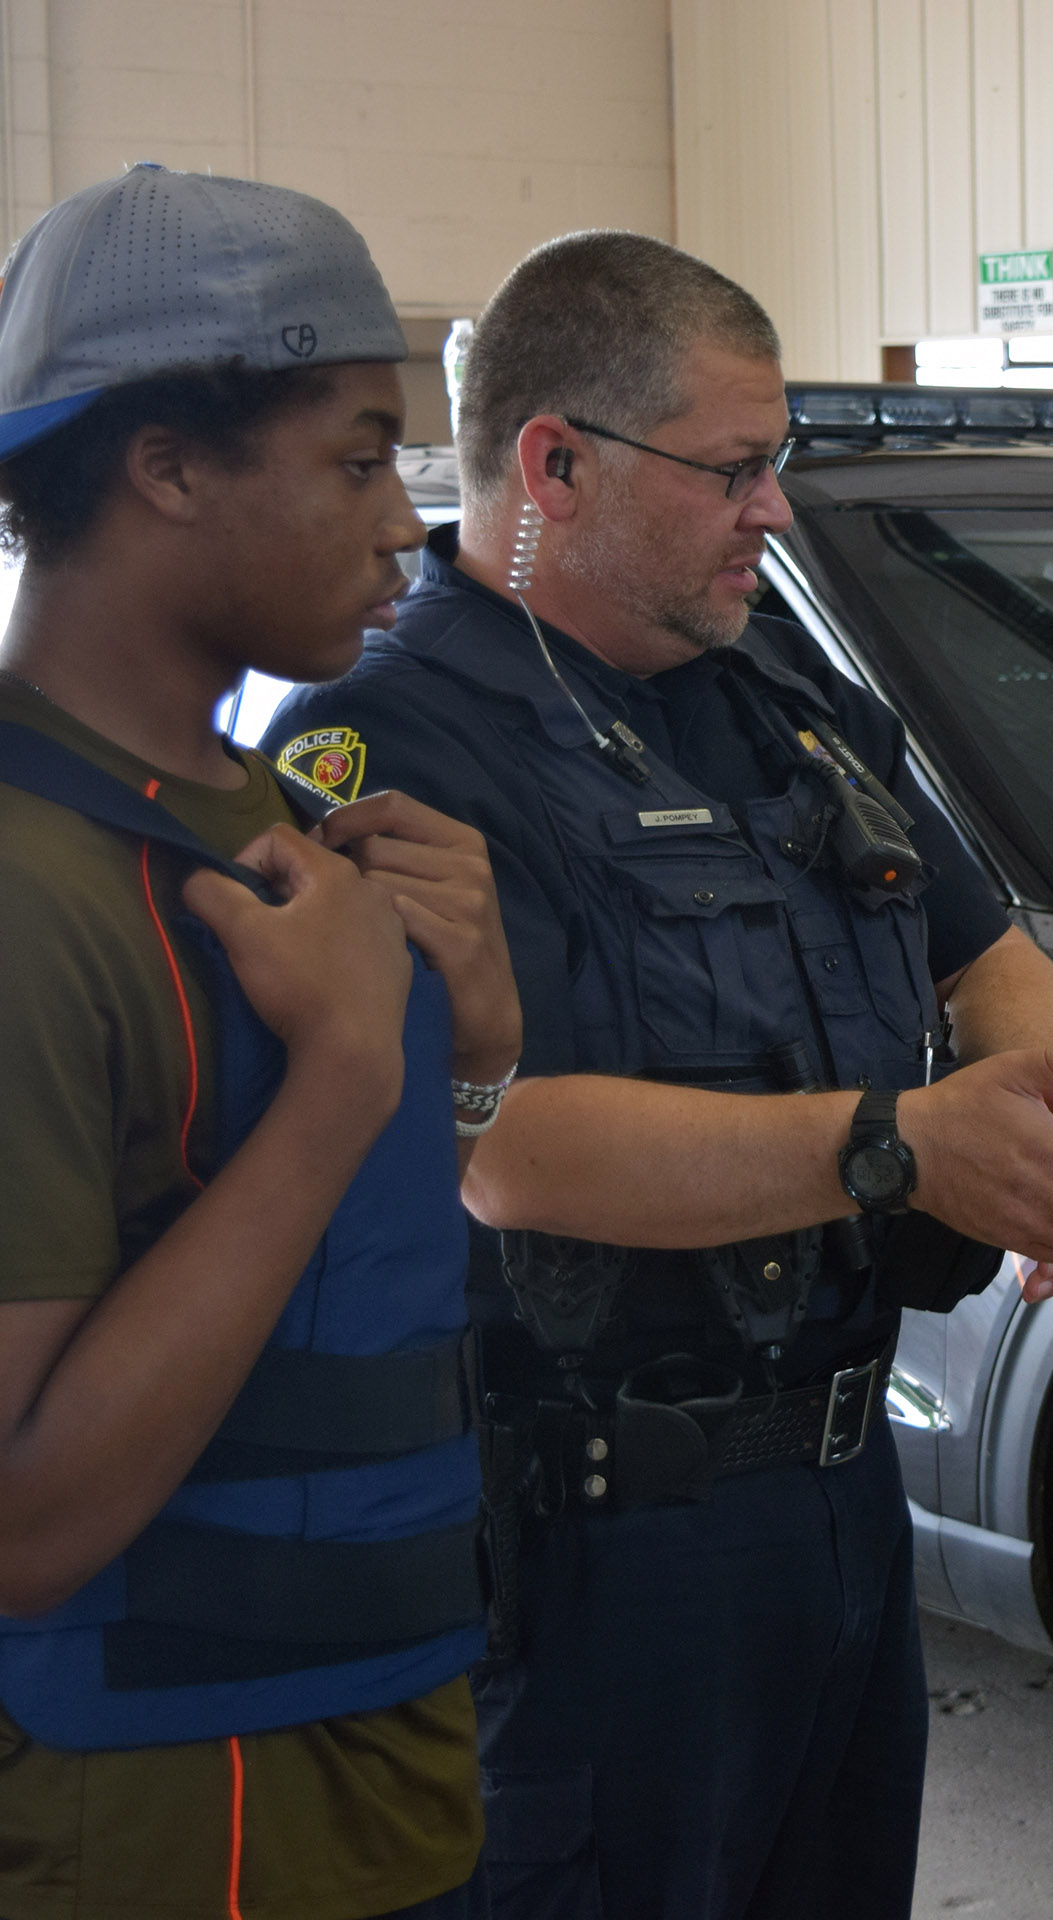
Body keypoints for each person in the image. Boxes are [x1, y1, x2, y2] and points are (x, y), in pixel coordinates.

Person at [264, 231, 1053, 1919]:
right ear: (555, 461)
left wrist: (1038, 1110)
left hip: (841, 1514)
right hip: (600, 1554)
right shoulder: (390, 744)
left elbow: (975, 940)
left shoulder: (771, 682)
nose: (773, 511)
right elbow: (501, 1150)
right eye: (734, 471)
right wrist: (901, 1150)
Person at [0, 166, 524, 1920]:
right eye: (360, 456)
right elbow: (23, 1530)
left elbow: (352, 1260)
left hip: (383, 1760)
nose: (407, 522)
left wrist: (477, 1044)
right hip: (163, 1810)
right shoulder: (28, 892)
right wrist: (347, 1085)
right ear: (165, 467)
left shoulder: (283, 816)